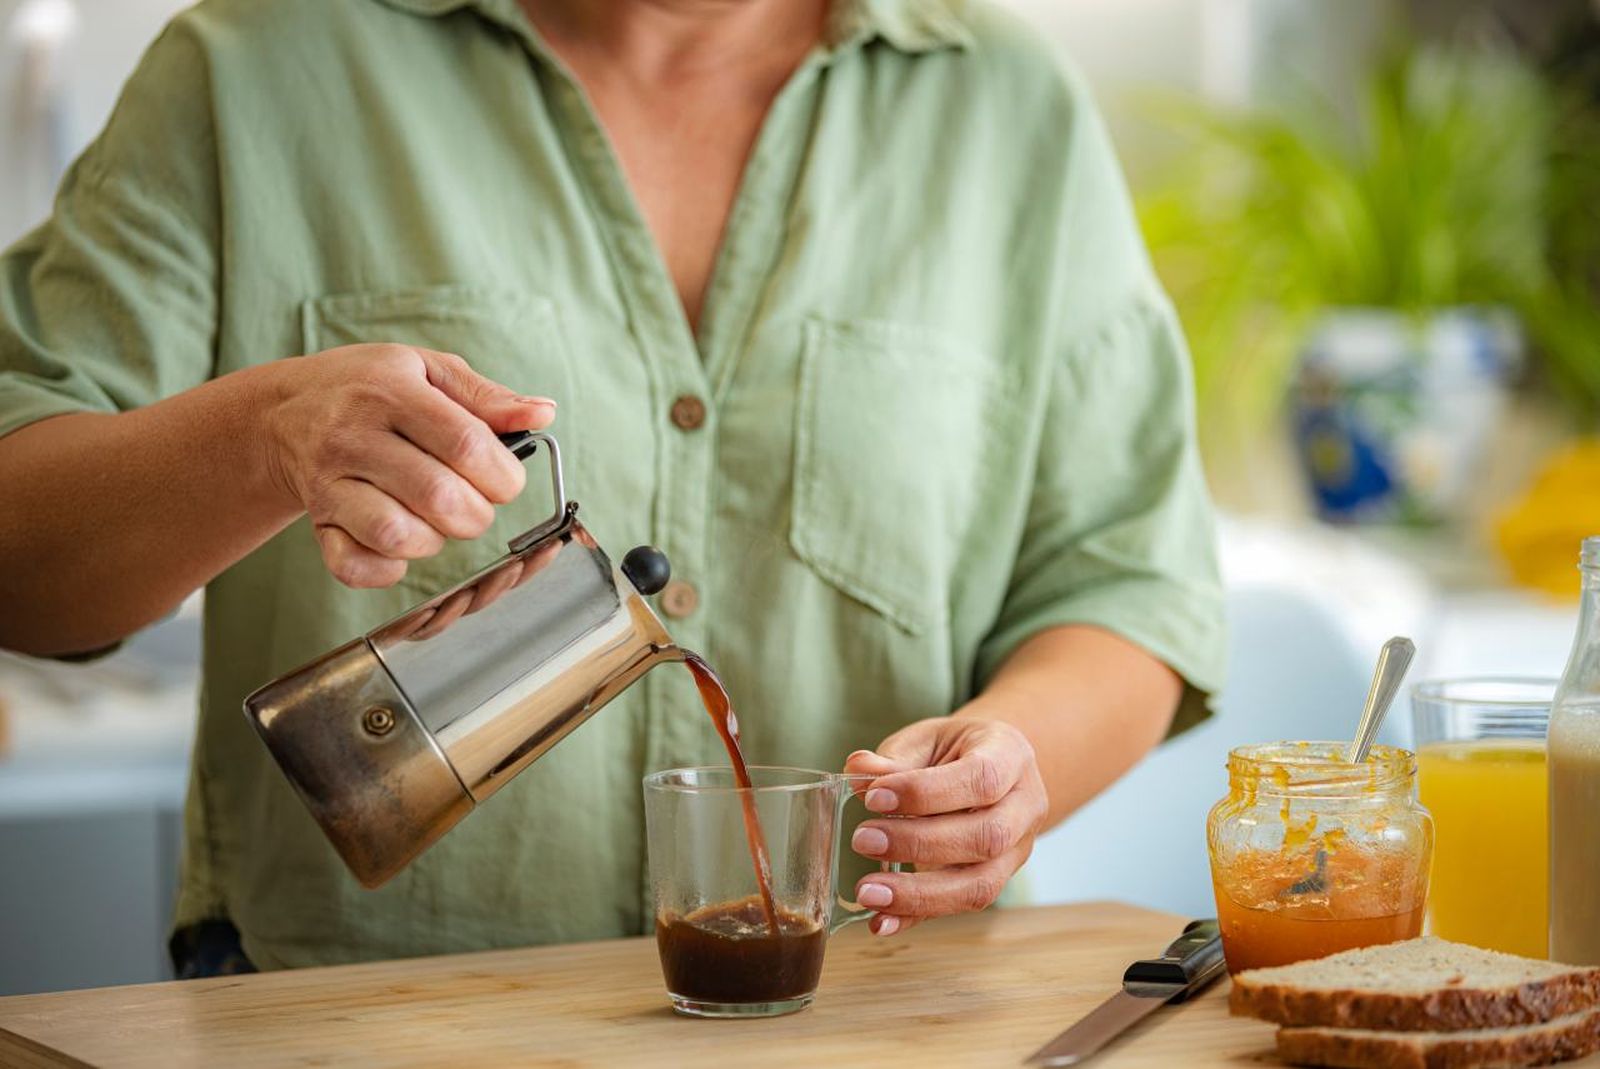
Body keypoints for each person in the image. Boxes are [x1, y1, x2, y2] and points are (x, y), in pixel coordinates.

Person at [0, 0, 1226, 973]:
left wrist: (1014, 767)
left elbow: (1126, 582)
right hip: (366, 1017)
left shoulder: (1007, 109)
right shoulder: (257, 65)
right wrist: (262, 435)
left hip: (885, 1013)